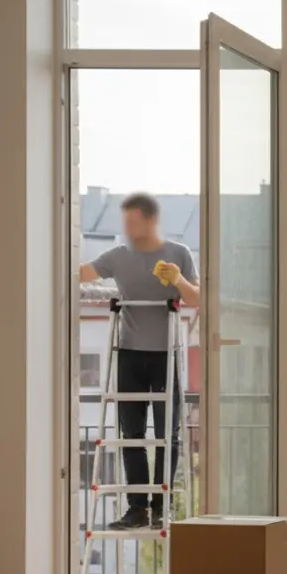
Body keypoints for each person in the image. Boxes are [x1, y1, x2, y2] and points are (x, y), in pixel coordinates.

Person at [79, 193, 200, 530]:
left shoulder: (178, 254)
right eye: (125, 223)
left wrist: (176, 278)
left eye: (133, 222)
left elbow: (196, 298)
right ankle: (137, 509)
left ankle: (162, 506)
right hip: (130, 354)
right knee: (131, 434)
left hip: (165, 355)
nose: (128, 229)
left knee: (167, 435)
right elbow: (82, 273)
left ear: (149, 220)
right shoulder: (119, 255)